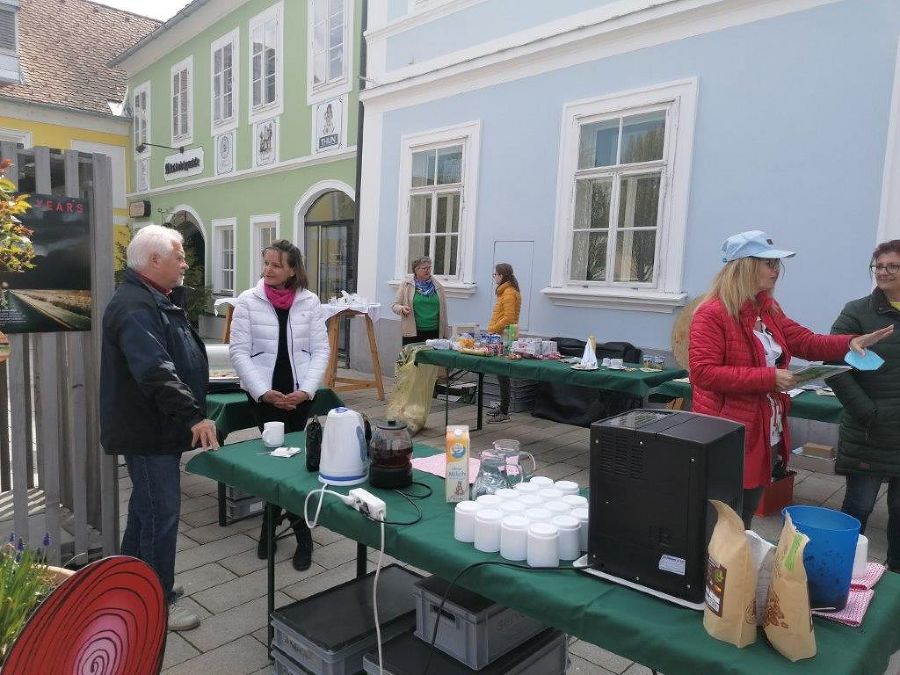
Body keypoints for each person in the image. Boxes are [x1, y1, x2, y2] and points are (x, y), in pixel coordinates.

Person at [689, 230, 891, 528]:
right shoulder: (712, 313)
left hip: (764, 431)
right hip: (727, 433)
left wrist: (851, 342)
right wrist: (769, 378)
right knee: (720, 519)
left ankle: (733, 569)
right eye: (769, 263)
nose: (776, 271)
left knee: (744, 516)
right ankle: (711, 571)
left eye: (777, 264)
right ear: (745, 265)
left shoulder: (768, 309)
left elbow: (806, 342)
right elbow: (703, 373)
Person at [100, 224, 219, 632]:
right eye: (179, 256)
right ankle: (155, 604)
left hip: (155, 429)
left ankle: (125, 586)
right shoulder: (135, 305)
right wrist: (193, 415)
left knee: (144, 512)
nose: (185, 264)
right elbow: (154, 370)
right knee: (160, 517)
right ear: (154, 260)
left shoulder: (153, 298)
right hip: (149, 431)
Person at [229, 239, 330, 571]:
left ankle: (296, 536)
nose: (268, 269)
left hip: (300, 397)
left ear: (292, 270)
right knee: (275, 464)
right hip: (266, 397)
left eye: (276, 264)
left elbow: (320, 351)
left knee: (297, 466)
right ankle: (275, 530)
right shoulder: (248, 301)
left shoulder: (310, 302)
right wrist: (263, 392)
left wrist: (307, 391)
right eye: (265, 262)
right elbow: (239, 352)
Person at [828, 240, 900, 572]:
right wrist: (866, 411)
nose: (883, 272)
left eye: (892, 266)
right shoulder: (858, 312)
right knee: (858, 508)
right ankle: (837, 572)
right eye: (878, 266)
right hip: (870, 431)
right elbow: (834, 363)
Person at [487, 263, 522, 423]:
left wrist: (493, 329)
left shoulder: (508, 293)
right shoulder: (506, 292)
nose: (494, 277)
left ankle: (504, 411)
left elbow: (508, 318)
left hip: (505, 337)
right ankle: (503, 407)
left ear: (502, 275)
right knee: (501, 375)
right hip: (504, 336)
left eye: (495, 274)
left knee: (503, 374)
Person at [391, 256, 449, 345]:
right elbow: (394, 305)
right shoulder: (407, 285)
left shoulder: (438, 286)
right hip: (413, 332)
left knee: (431, 358)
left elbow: (444, 311)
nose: (428, 270)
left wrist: (445, 332)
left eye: (429, 267)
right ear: (416, 270)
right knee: (412, 358)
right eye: (425, 268)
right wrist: (402, 309)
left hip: (435, 332)